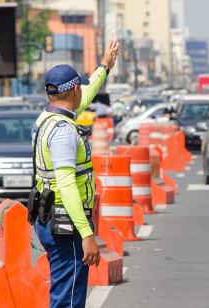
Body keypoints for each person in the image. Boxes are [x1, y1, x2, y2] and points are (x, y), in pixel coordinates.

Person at [32, 40, 120, 308]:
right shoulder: (63, 132)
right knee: (68, 298)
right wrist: (87, 235)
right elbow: (67, 185)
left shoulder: (48, 118)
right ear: (72, 90)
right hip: (65, 221)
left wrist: (104, 66)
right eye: (79, 87)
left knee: (64, 290)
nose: (83, 90)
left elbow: (88, 92)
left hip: (49, 215)